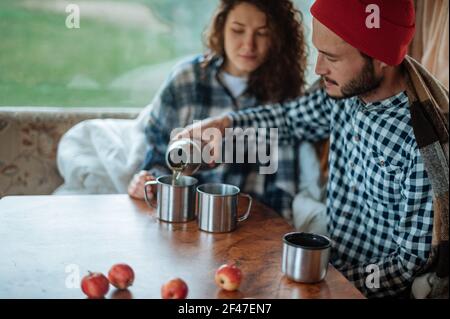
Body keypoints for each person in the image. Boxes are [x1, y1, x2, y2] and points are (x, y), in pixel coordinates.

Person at [174, 0, 449, 298]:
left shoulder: (423, 146)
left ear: (382, 57)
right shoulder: (344, 93)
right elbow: (290, 120)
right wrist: (225, 123)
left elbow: (410, 263)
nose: (318, 68)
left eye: (331, 57)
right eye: (318, 51)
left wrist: (331, 283)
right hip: (327, 266)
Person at [128, 0, 310, 219]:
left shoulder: (285, 97)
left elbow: (283, 183)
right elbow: (156, 153)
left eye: (262, 33)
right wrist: (149, 184)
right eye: (237, 30)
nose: (248, 44)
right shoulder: (187, 80)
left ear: (278, 39)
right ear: (221, 29)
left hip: (249, 222)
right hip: (186, 217)